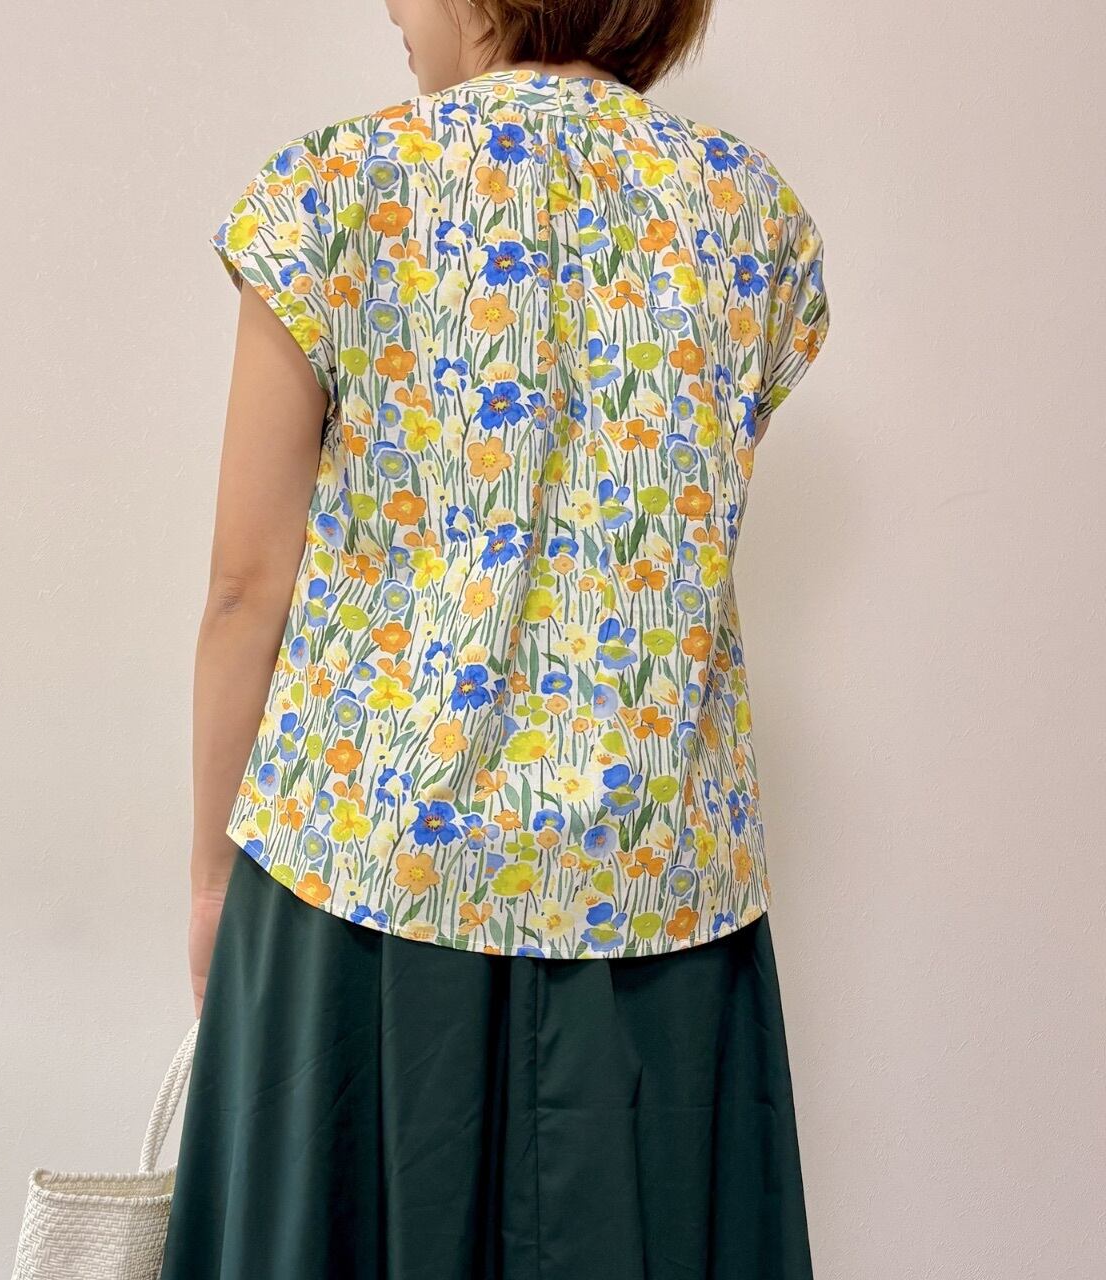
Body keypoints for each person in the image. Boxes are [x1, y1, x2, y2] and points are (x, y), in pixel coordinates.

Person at [160, 1, 830, 1276]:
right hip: (651, 904)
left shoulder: (338, 190)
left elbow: (248, 586)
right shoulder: (748, 216)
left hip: (359, 890)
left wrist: (208, 882)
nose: (389, 7)